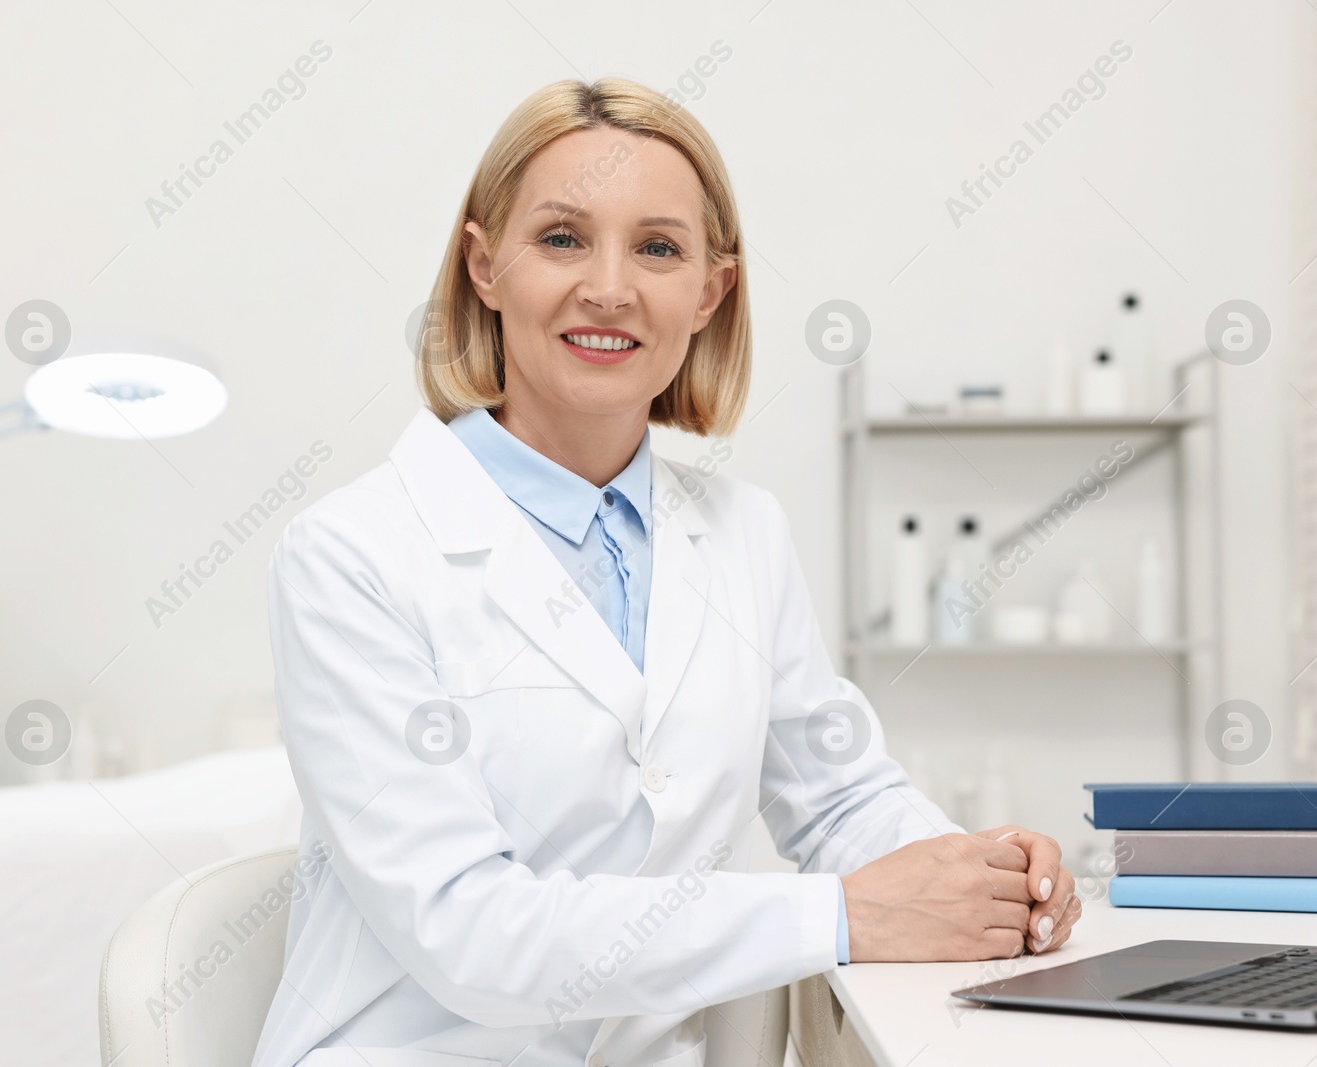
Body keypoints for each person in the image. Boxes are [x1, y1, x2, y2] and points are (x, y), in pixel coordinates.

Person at [252, 76, 1079, 1067]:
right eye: (561, 237)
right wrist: (844, 913)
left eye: (657, 247)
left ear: (709, 291)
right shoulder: (349, 554)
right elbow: (467, 930)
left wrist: (982, 873)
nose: (609, 287)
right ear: (484, 266)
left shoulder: (744, 532)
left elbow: (841, 796)